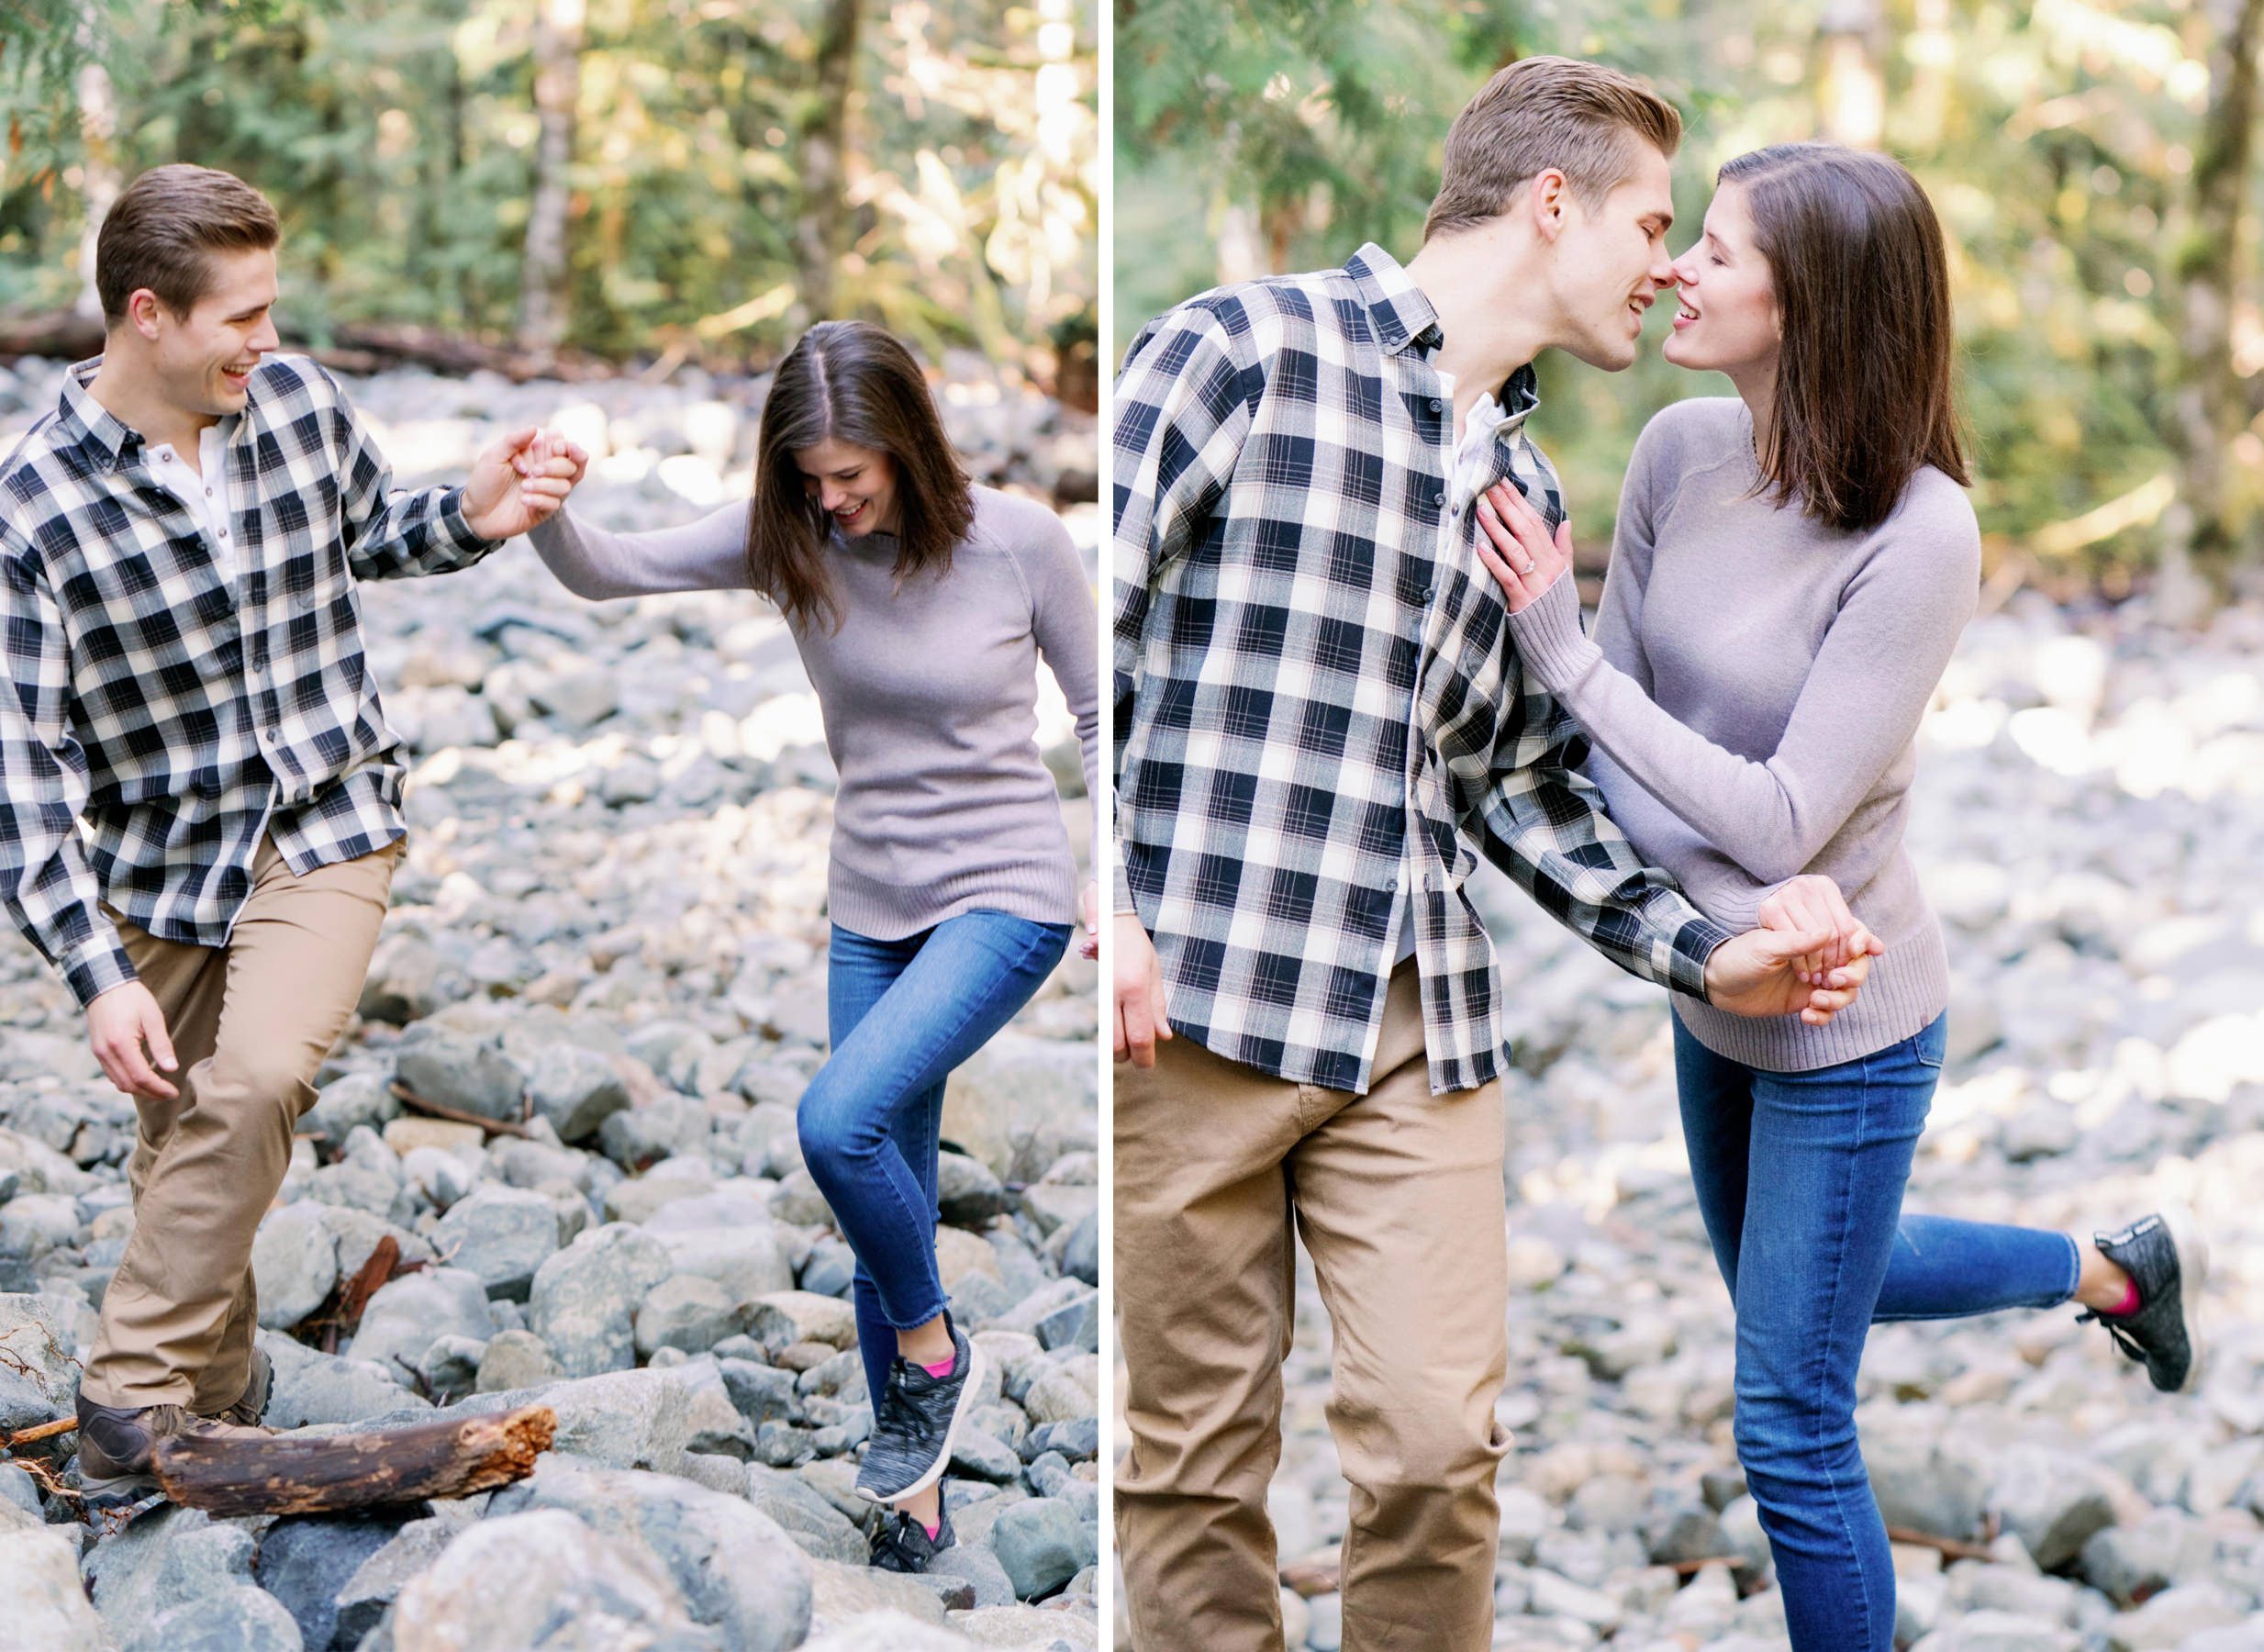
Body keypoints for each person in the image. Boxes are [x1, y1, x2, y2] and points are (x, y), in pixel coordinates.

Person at [1110, 59, 1890, 1652]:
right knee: (1191, 1464)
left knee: (1435, 1452)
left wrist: (1701, 948)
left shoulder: (1523, 487)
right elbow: (1074, 646)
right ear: (1553, 206)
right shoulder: (1237, 354)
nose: (1670, 265)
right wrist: (1096, 897)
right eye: (1653, 223)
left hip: (1416, 1026)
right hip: (1188, 1000)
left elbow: (1522, 781)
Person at [1474, 141, 2206, 1652]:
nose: (1678, 264)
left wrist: (1565, 652)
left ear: (1816, 309)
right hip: (1725, 978)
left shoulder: (1922, 536)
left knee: (1791, 1422)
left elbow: (1786, 806)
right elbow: (1624, 762)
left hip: (1844, 1014)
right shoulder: (1679, 452)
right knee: (1799, 1288)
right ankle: (2110, 1272)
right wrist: (1720, 923)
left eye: (1722, 251)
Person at [0, 163, 578, 1501]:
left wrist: (475, 516)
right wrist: (94, 972)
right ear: (147, 314)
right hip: (158, 858)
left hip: (329, 815)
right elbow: (19, 767)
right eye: (241, 317)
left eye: (273, 309)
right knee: (181, 1141)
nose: (270, 340)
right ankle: (222, 1401)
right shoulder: (30, 506)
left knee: (252, 1083)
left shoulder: (300, 407)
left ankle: (128, 1397)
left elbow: (374, 529)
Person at [521, 318, 1099, 1573]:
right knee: (877, 1196)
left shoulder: (1019, 543)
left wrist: (1125, 892)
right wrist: (549, 505)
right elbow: (606, 570)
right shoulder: (788, 536)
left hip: (1006, 895)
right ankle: (919, 1502)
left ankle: (939, 1354)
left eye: (852, 475)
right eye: (808, 478)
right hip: (870, 908)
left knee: (836, 1124)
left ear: (909, 444)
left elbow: (1107, 719)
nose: (831, 501)